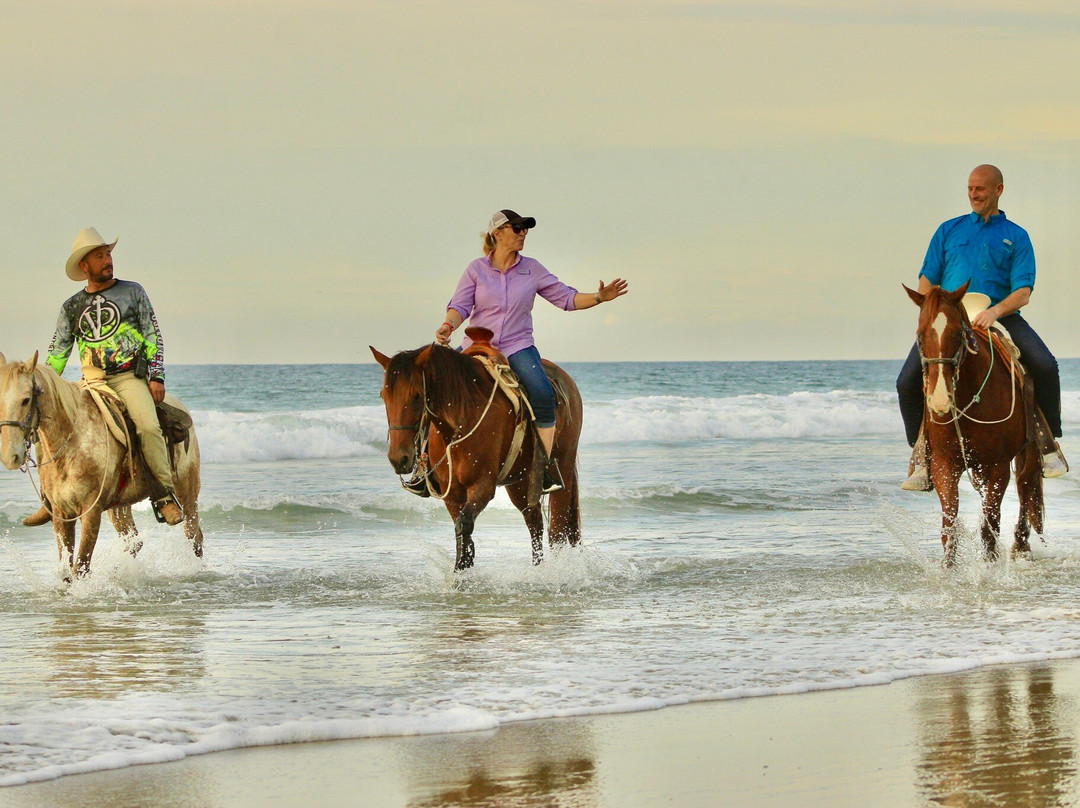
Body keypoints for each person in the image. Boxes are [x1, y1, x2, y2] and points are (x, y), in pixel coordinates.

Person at [896, 165, 1066, 490]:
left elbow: (1023, 292)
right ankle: (922, 456)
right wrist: (937, 310)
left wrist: (994, 312)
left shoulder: (1016, 236)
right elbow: (927, 282)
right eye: (970, 188)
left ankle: (1048, 445)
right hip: (951, 319)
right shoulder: (949, 230)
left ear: (998, 190)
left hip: (1001, 316)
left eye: (981, 189)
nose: (974, 194)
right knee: (906, 382)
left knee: (1046, 366)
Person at [434, 209, 629, 493]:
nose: (523, 232)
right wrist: (448, 325)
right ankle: (426, 465)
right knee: (436, 387)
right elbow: (460, 306)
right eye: (516, 228)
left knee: (542, 393)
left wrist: (599, 297)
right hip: (477, 345)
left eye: (525, 228)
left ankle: (544, 467)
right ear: (497, 233)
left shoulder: (532, 269)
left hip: (517, 347)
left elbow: (566, 298)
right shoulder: (476, 269)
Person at [23, 228, 184, 526]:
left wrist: (157, 376)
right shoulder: (71, 307)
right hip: (90, 382)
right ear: (84, 266)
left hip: (127, 377)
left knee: (148, 426)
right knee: (45, 424)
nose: (107, 260)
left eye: (108, 254)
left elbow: (152, 335)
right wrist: (44, 387)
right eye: (99, 256)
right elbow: (58, 353)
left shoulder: (133, 292)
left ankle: (164, 495)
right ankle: (49, 498)